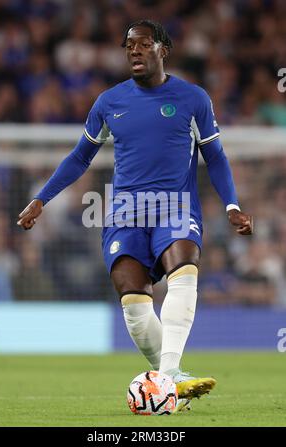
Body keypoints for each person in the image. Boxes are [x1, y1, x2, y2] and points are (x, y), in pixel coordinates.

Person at [17, 20, 253, 412]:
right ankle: (171, 377)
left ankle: (169, 377)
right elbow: (80, 157)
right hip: (125, 212)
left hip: (175, 208)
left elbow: (215, 156)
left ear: (163, 50)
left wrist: (231, 205)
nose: (134, 51)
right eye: (129, 46)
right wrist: (42, 199)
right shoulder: (110, 102)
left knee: (184, 270)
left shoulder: (193, 98)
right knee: (134, 304)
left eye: (143, 44)